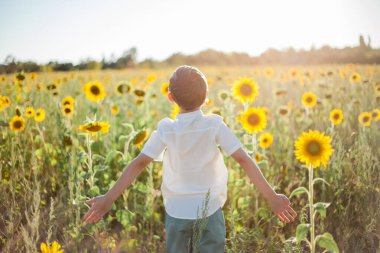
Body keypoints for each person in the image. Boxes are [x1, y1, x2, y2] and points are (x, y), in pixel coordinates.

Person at [82, 65, 297, 253]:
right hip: (210, 211)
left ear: (170, 98)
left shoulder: (167, 129)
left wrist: (108, 198)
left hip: (177, 213)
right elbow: (243, 159)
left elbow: (139, 163)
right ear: (206, 98)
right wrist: (271, 196)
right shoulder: (214, 125)